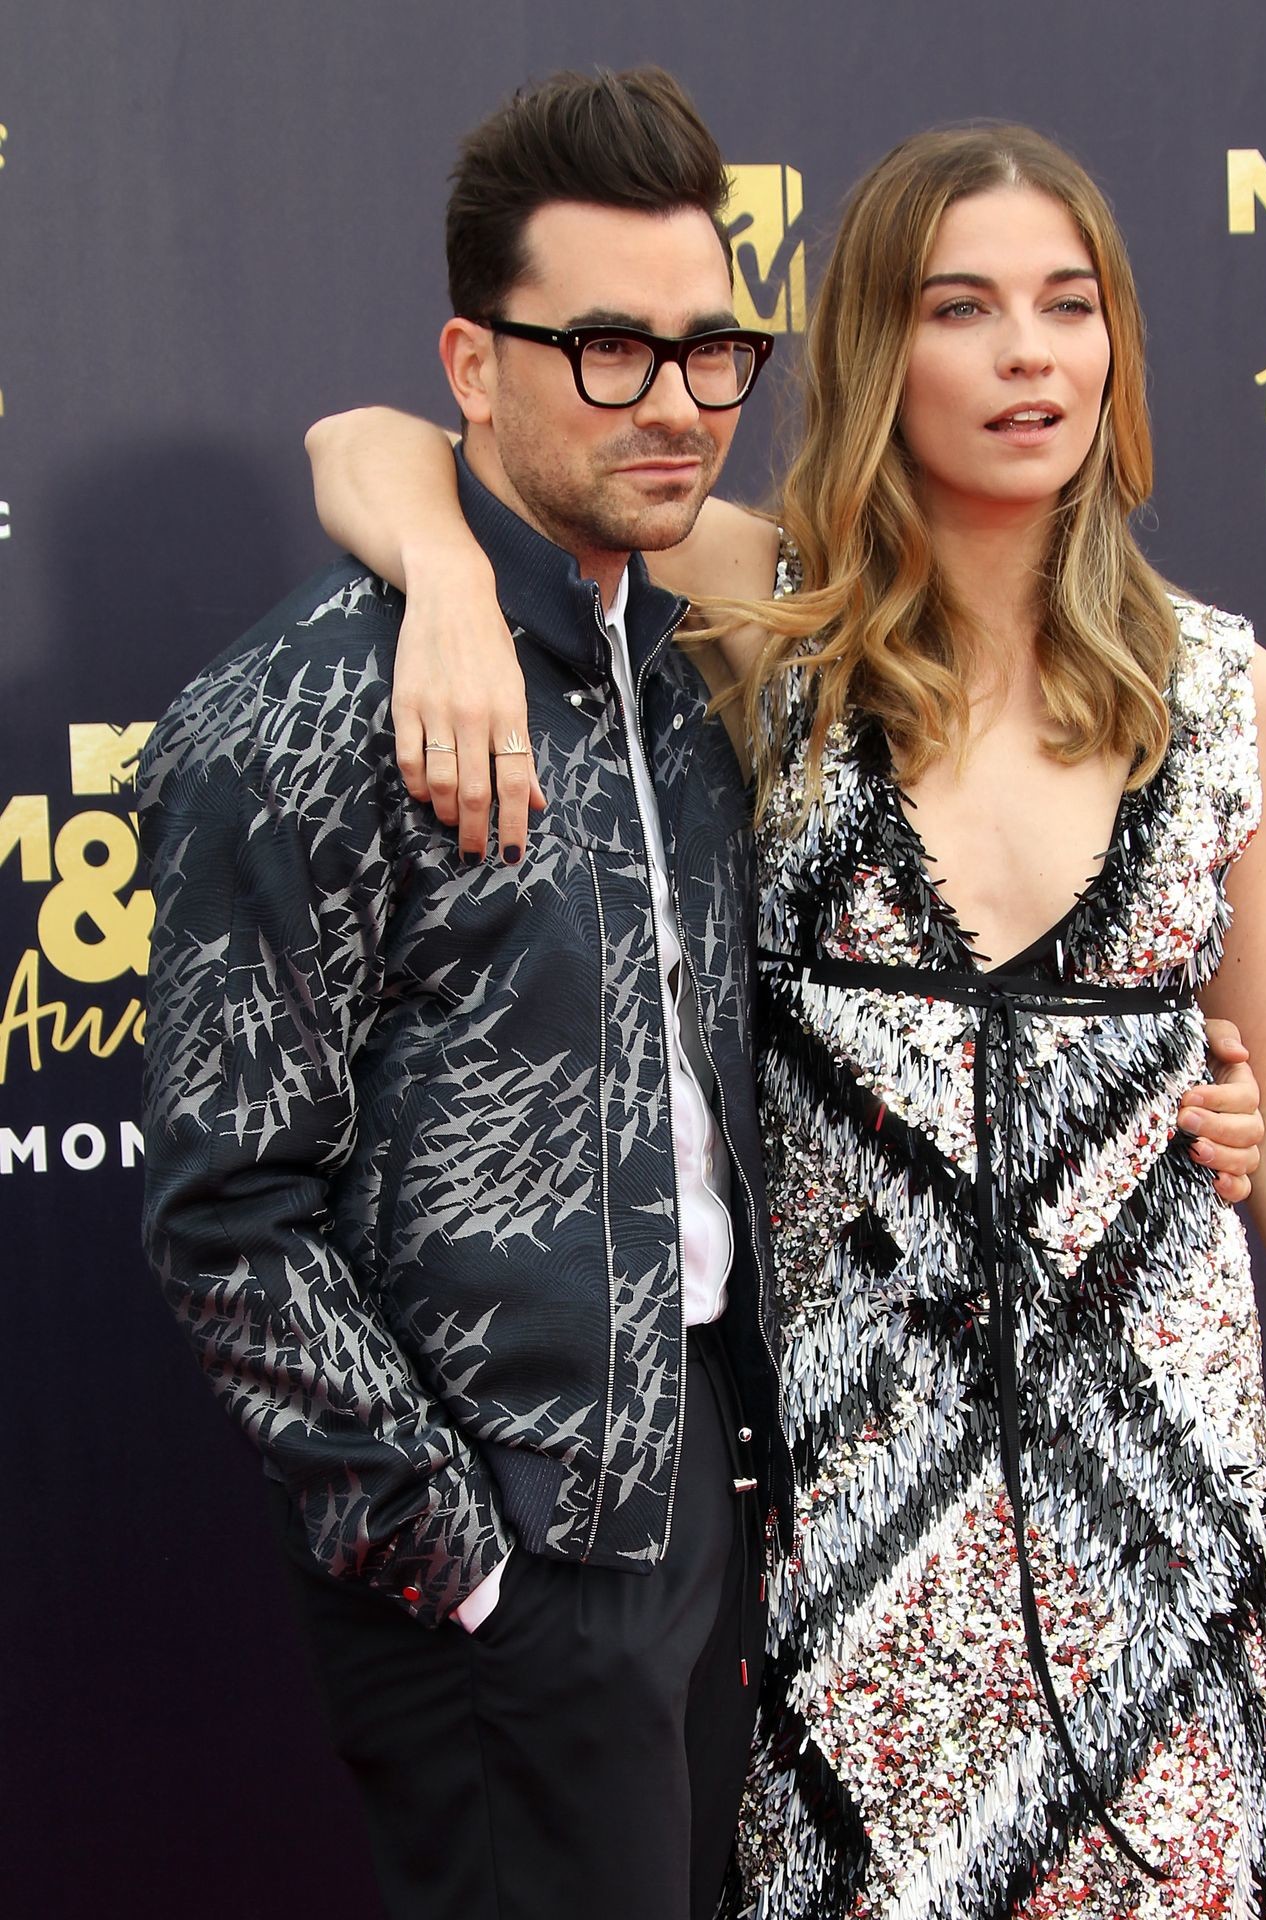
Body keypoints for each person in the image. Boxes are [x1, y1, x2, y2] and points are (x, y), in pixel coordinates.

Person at [299, 118, 1266, 1920]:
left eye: (1069, 305)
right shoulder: (766, 616)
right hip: (859, 1498)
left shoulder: (1218, 690)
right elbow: (369, 440)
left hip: (1158, 1485)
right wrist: (451, 584)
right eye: (963, 307)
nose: (1029, 356)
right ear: (875, 346)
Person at [139, 69, 790, 1920]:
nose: (672, 402)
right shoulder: (307, 708)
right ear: (473, 366)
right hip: (505, 1549)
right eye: (606, 348)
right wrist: (453, 1548)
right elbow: (225, 1208)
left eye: (709, 350)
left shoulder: (690, 658)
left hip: (708, 1481)